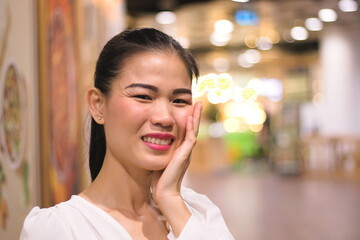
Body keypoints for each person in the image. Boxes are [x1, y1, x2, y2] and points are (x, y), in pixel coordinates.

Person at [20, 28, 234, 240]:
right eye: (143, 96)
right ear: (98, 105)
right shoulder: (58, 229)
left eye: (179, 100)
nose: (165, 117)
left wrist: (169, 198)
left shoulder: (198, 211)